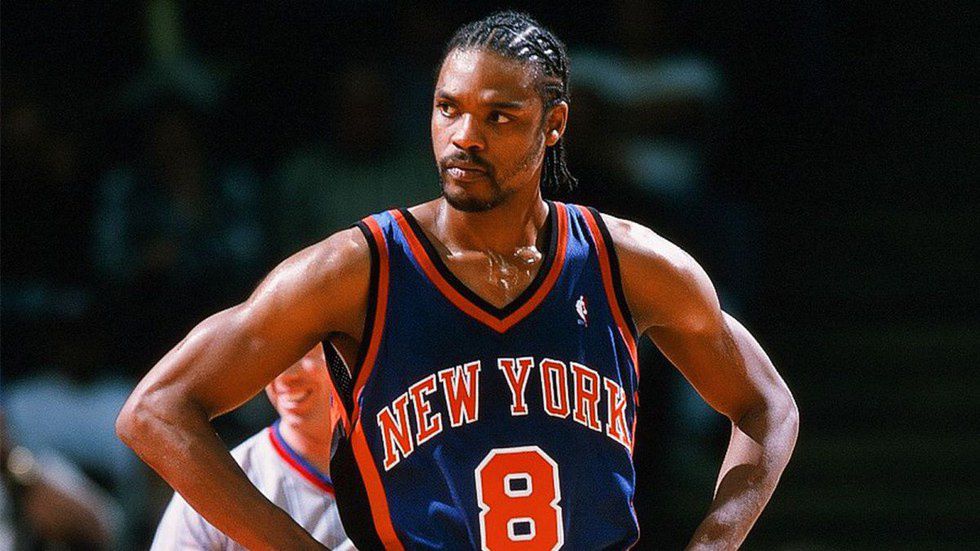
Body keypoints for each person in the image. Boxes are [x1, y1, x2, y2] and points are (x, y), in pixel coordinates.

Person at [117, 11, 799, 550]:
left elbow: (768, 405)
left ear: (555, 124)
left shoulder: (628, 262)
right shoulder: (356, 269)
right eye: (448, 108)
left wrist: (715, 543)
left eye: (498, 116)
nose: (465, 135)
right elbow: (155, 411)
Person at [149, 344, 353, 550]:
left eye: (304, 353)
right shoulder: (215, 483)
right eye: (272, 356)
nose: (285, 375)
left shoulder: (374, 450)